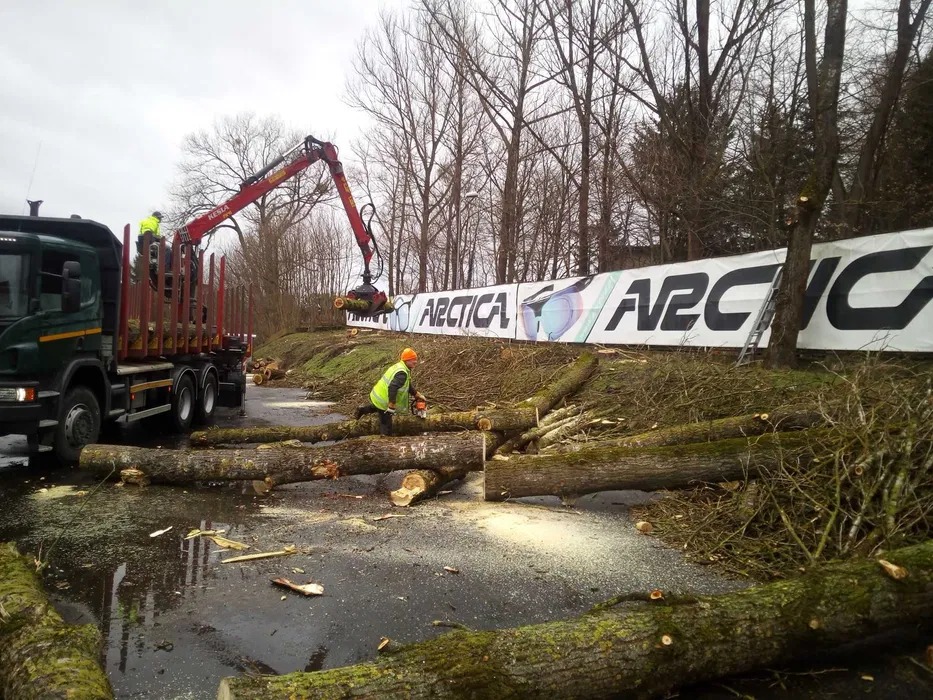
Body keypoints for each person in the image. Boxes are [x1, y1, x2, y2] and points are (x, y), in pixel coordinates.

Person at [355, 348, 425, 435]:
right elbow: (392, 387)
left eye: (416, 359)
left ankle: (361, 410)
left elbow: (406, 384)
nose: (415, 362)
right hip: (384, 398)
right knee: (386, 424)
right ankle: (385, 441)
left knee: (377, 407)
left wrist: (416, 394)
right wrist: (391, 404)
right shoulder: (402, 373)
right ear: (406, 360)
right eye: (413, 359)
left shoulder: (401, 367)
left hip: (378, 394)